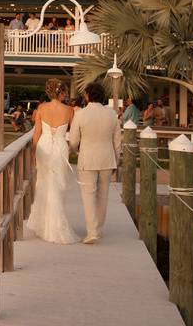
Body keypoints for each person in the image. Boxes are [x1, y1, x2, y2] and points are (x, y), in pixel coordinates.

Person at [26, 78, 80, 244]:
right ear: (61, 92)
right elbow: (74, 132)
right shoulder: (70, 110)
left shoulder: (42, 108)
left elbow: (37, 133)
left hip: (44, 146)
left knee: (43, 183)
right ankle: (53, 226)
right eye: (64, 92)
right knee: (58, 185)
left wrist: (33, 152)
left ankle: (44, 225)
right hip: (60, 147)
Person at [69, 81, 122, 244]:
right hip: (107, 159)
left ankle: (92, 231)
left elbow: (73, 140)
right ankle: (97, 229)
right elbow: (118, 142)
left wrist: (78, 150)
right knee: (103, 195)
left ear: (87, 96)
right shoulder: (112, 115)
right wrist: (116, 160)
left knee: (88, 195)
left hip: (87, 158)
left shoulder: (80, 114)